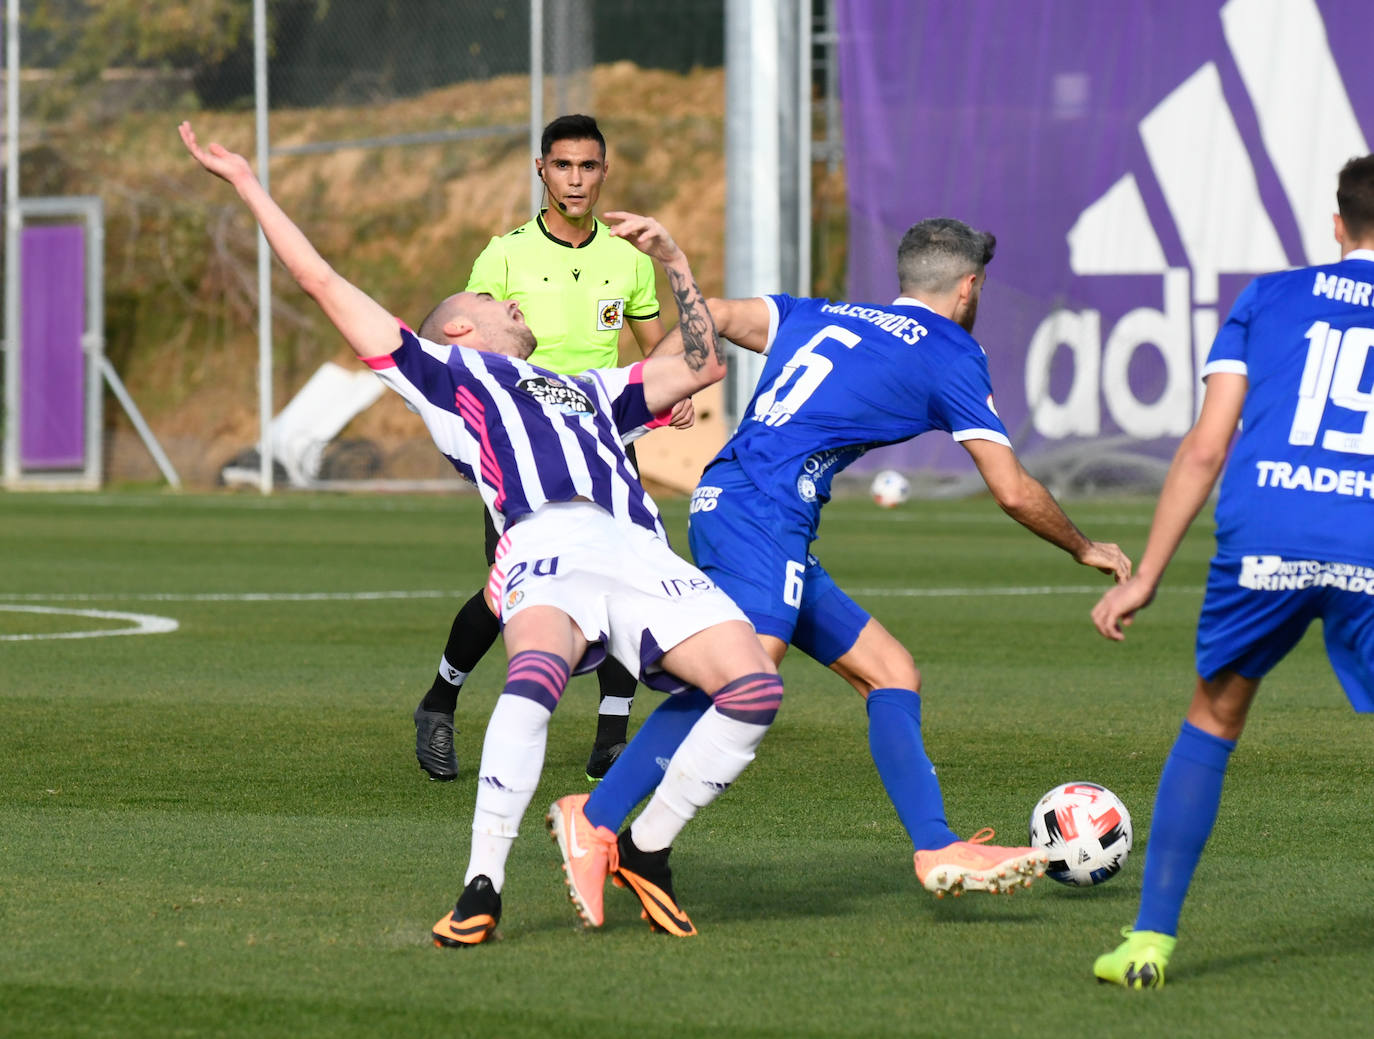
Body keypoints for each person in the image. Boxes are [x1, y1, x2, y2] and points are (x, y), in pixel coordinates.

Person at [178, 120, 782, 946]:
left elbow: (706, 364)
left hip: (640, 547)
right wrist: (249, 185)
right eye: (496, 304)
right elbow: (321, 281)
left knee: (754, 689)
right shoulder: (446, 374)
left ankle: (644, 847)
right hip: (546, 546)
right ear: (459, 330)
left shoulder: (590, 387)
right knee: (532, 677)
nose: (511, 302)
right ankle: (481, 885)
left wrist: (673, 262)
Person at [545, 218, 1132, 930]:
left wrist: (654, 390)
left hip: (744, 505)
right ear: (969, 286)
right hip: (762, 509)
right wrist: (1082, 545)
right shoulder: (953, 351)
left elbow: (715, 315)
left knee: (890, 669)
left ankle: (933, 844)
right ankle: (600, 821)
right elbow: (1010, 487)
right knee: (740, 677)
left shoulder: (820, 311)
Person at [1088, 154, 1374, 990]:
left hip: (1267, 530)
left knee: (1214, 717)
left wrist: (1145, 575)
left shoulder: (1270, 296)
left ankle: (1148, 941)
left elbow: (1207, 445)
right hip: (1366, 534)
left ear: (1335, 225)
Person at [415, 113, 684, 785]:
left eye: (588, 166)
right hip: (519, 443)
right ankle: (440, 699)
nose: (575, 179)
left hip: (603, 434)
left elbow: (656, 354)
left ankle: (612, 734)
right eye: (562, 165)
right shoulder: (504, 255)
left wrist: (668, 392)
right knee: (512, 588)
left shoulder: (626, 259)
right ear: (541, 170)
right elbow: (467, 346)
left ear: (604, 171)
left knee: (631, 571)